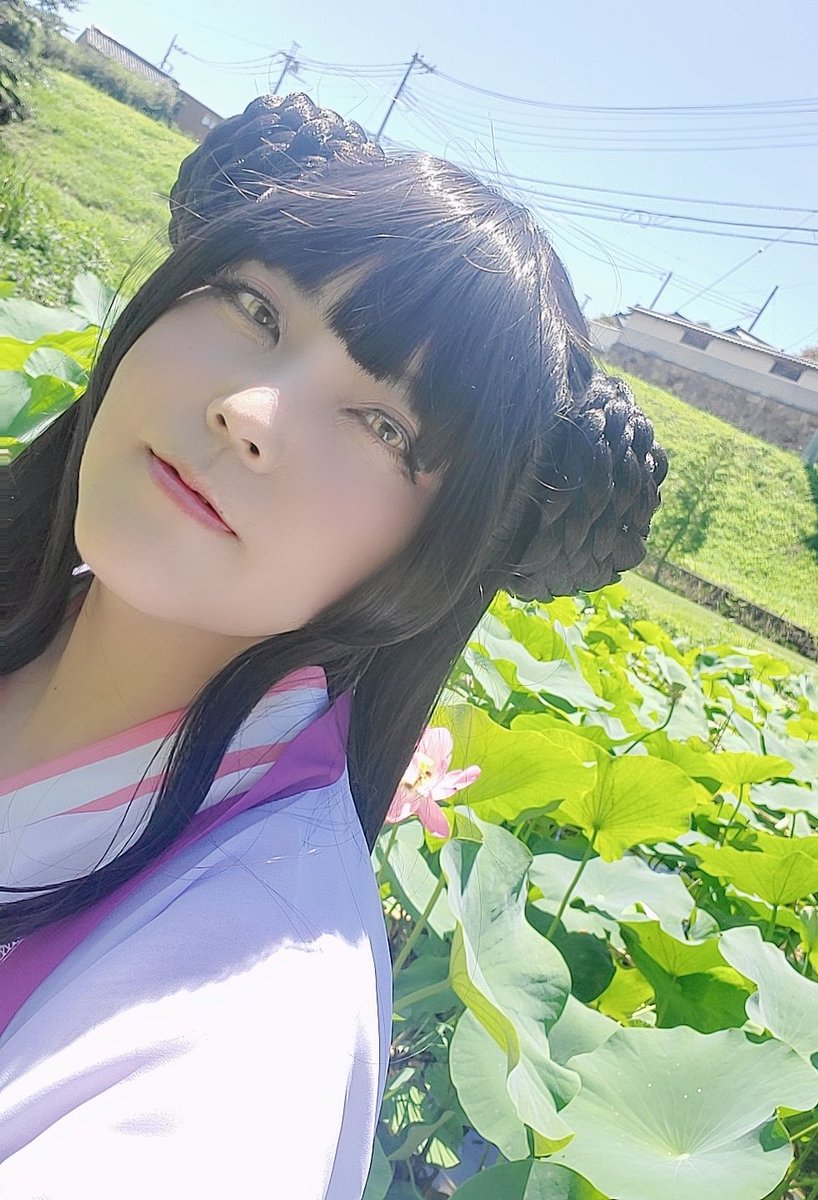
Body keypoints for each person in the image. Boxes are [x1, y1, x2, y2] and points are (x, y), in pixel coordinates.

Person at [0, 93, 667, 1196]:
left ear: (441, 553)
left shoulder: (250, 1038)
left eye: (386, 425)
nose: (249, 409)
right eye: (255, 306)